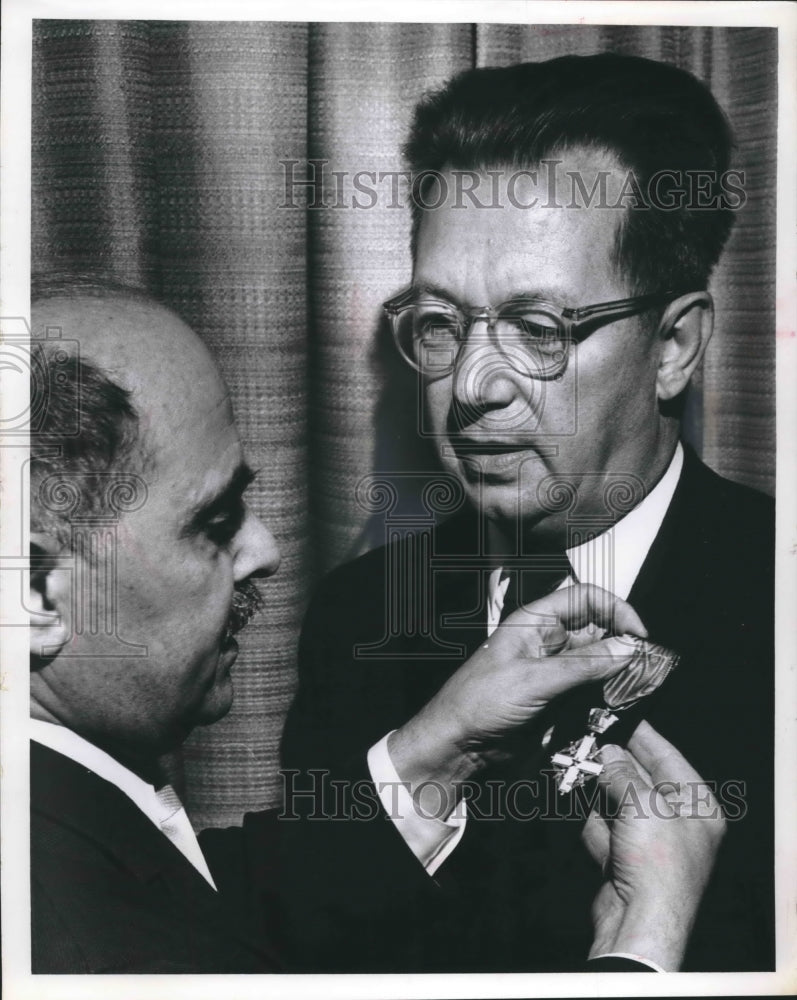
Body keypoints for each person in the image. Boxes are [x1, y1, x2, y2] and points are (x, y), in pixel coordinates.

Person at [28, 277, 724, 974]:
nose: (265, 550)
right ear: (36, 594)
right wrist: (642, 939)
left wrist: (439, 751)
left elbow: (202, 901)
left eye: (538, 328)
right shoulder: (77, 942)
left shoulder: (60, 827)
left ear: (673, 345)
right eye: (213, 524)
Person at [282, 53, 775, 971]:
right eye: (440, 321)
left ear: (673, 347)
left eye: (538, 330)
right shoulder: (357, 618)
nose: (469, 387)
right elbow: (304, 953)